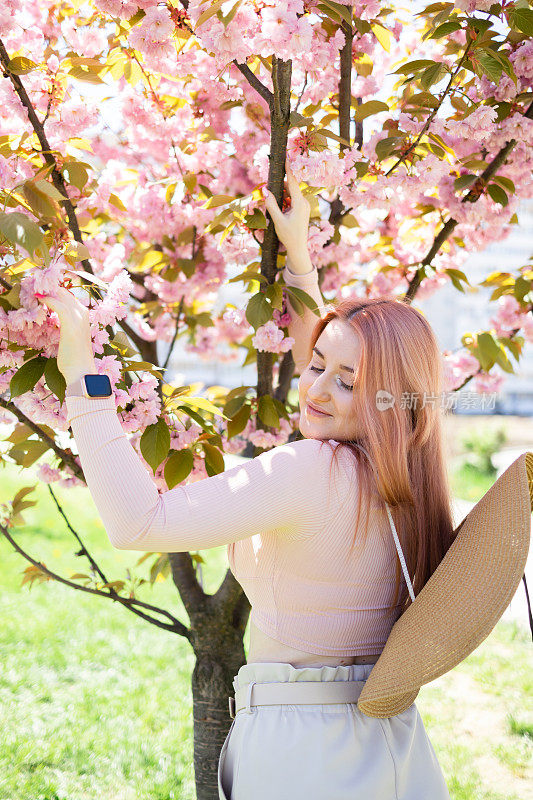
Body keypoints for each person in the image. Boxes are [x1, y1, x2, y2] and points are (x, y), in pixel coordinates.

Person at [35, 162, 453, 800]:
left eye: (347, 381)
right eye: (316, 364)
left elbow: (137, 523)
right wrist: (299, 256)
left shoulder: (310, 470)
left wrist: (84, 380)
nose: (313, 387)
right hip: (393, 741)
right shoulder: (412, 480)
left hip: (301, 750)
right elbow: (329, 367)